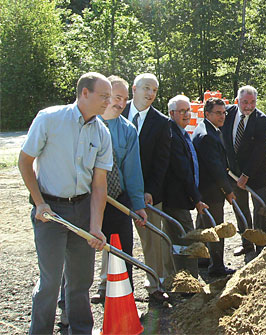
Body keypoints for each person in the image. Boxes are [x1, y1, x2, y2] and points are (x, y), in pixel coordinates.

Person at [18, 72, 111, 334]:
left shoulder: (102, 133)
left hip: (82, 209)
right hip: (50, 211)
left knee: (81, 282)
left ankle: (81, 330)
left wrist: (96, 226)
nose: (108, 101)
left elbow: (99, 185)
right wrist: (39, 204)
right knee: (50, 282)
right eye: (103, 96)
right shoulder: (49, 119)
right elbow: (25, 162)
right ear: (85, 93)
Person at [90, 75, 148, 304]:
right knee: (79, 254)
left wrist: (138, 205)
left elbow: (133, 172)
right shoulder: (87, 124)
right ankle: (71, 308)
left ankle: (124, 302)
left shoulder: (128, 130)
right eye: (116, 97)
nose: (120, 103)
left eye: (124, 99)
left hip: (117, 200)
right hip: (86, 199)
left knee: (122, 252)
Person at [121, 73, 173, 302]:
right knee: (115, 238)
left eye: (154, 90)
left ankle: (155, 283)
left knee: (152, 240)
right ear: (134, 89)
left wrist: (149, 190)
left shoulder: (161, 122)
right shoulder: (116, 112)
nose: (150, 94)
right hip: (116, 192)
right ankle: (108, 284)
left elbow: (162, 161)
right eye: (146, 88)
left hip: (147, 193)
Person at [221, 85, 266, 256]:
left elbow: (259, 151)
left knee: (260, 209)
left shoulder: (263, 121)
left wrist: (246, 175)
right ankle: (246, 243)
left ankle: (261, 244)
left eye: (252, 102)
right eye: (245, 102)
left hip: (256, 173)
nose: (249, 106)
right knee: (240, 209)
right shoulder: (227, 114)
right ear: (237, 101)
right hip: (233, 174)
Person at [162, 95, 208, 275]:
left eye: (188, 110)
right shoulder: (172, 134)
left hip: (181, 196)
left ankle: (184, 277)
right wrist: (196, 198)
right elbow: (182, 171)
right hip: (175, 197)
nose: (187, 114)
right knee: (185, 238)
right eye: (182, 111)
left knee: (181, 237)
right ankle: (188, 282)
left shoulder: (180, 131)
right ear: (172, 113)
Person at [193, 97, 237, 277]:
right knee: (216, 228)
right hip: (210, 191)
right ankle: (216, 266)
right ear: (207, 113)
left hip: (204, 190)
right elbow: (216, 169)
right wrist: (228, 191)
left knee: (204, 224)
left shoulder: (207, 129)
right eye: (218, 113)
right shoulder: (207, 136)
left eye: (224, 112)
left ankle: (202, 258)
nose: (222, 116)